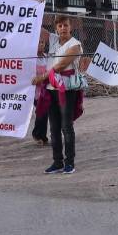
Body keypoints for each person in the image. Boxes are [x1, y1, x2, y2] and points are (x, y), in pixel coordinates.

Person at [33, 15, 85, 174]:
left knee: (66, 127)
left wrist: (41, 77)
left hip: (66, 90)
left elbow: (61, 65)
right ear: (56, 29)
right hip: (50, 90)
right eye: (60, 26)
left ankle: (69, 163)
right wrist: (37, 10)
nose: (63, 28)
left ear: (71, 27)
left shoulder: (75, 45)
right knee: (54, 128)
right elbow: (39, 29)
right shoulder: (54, 41)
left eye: (65, 25)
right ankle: (57, 162)